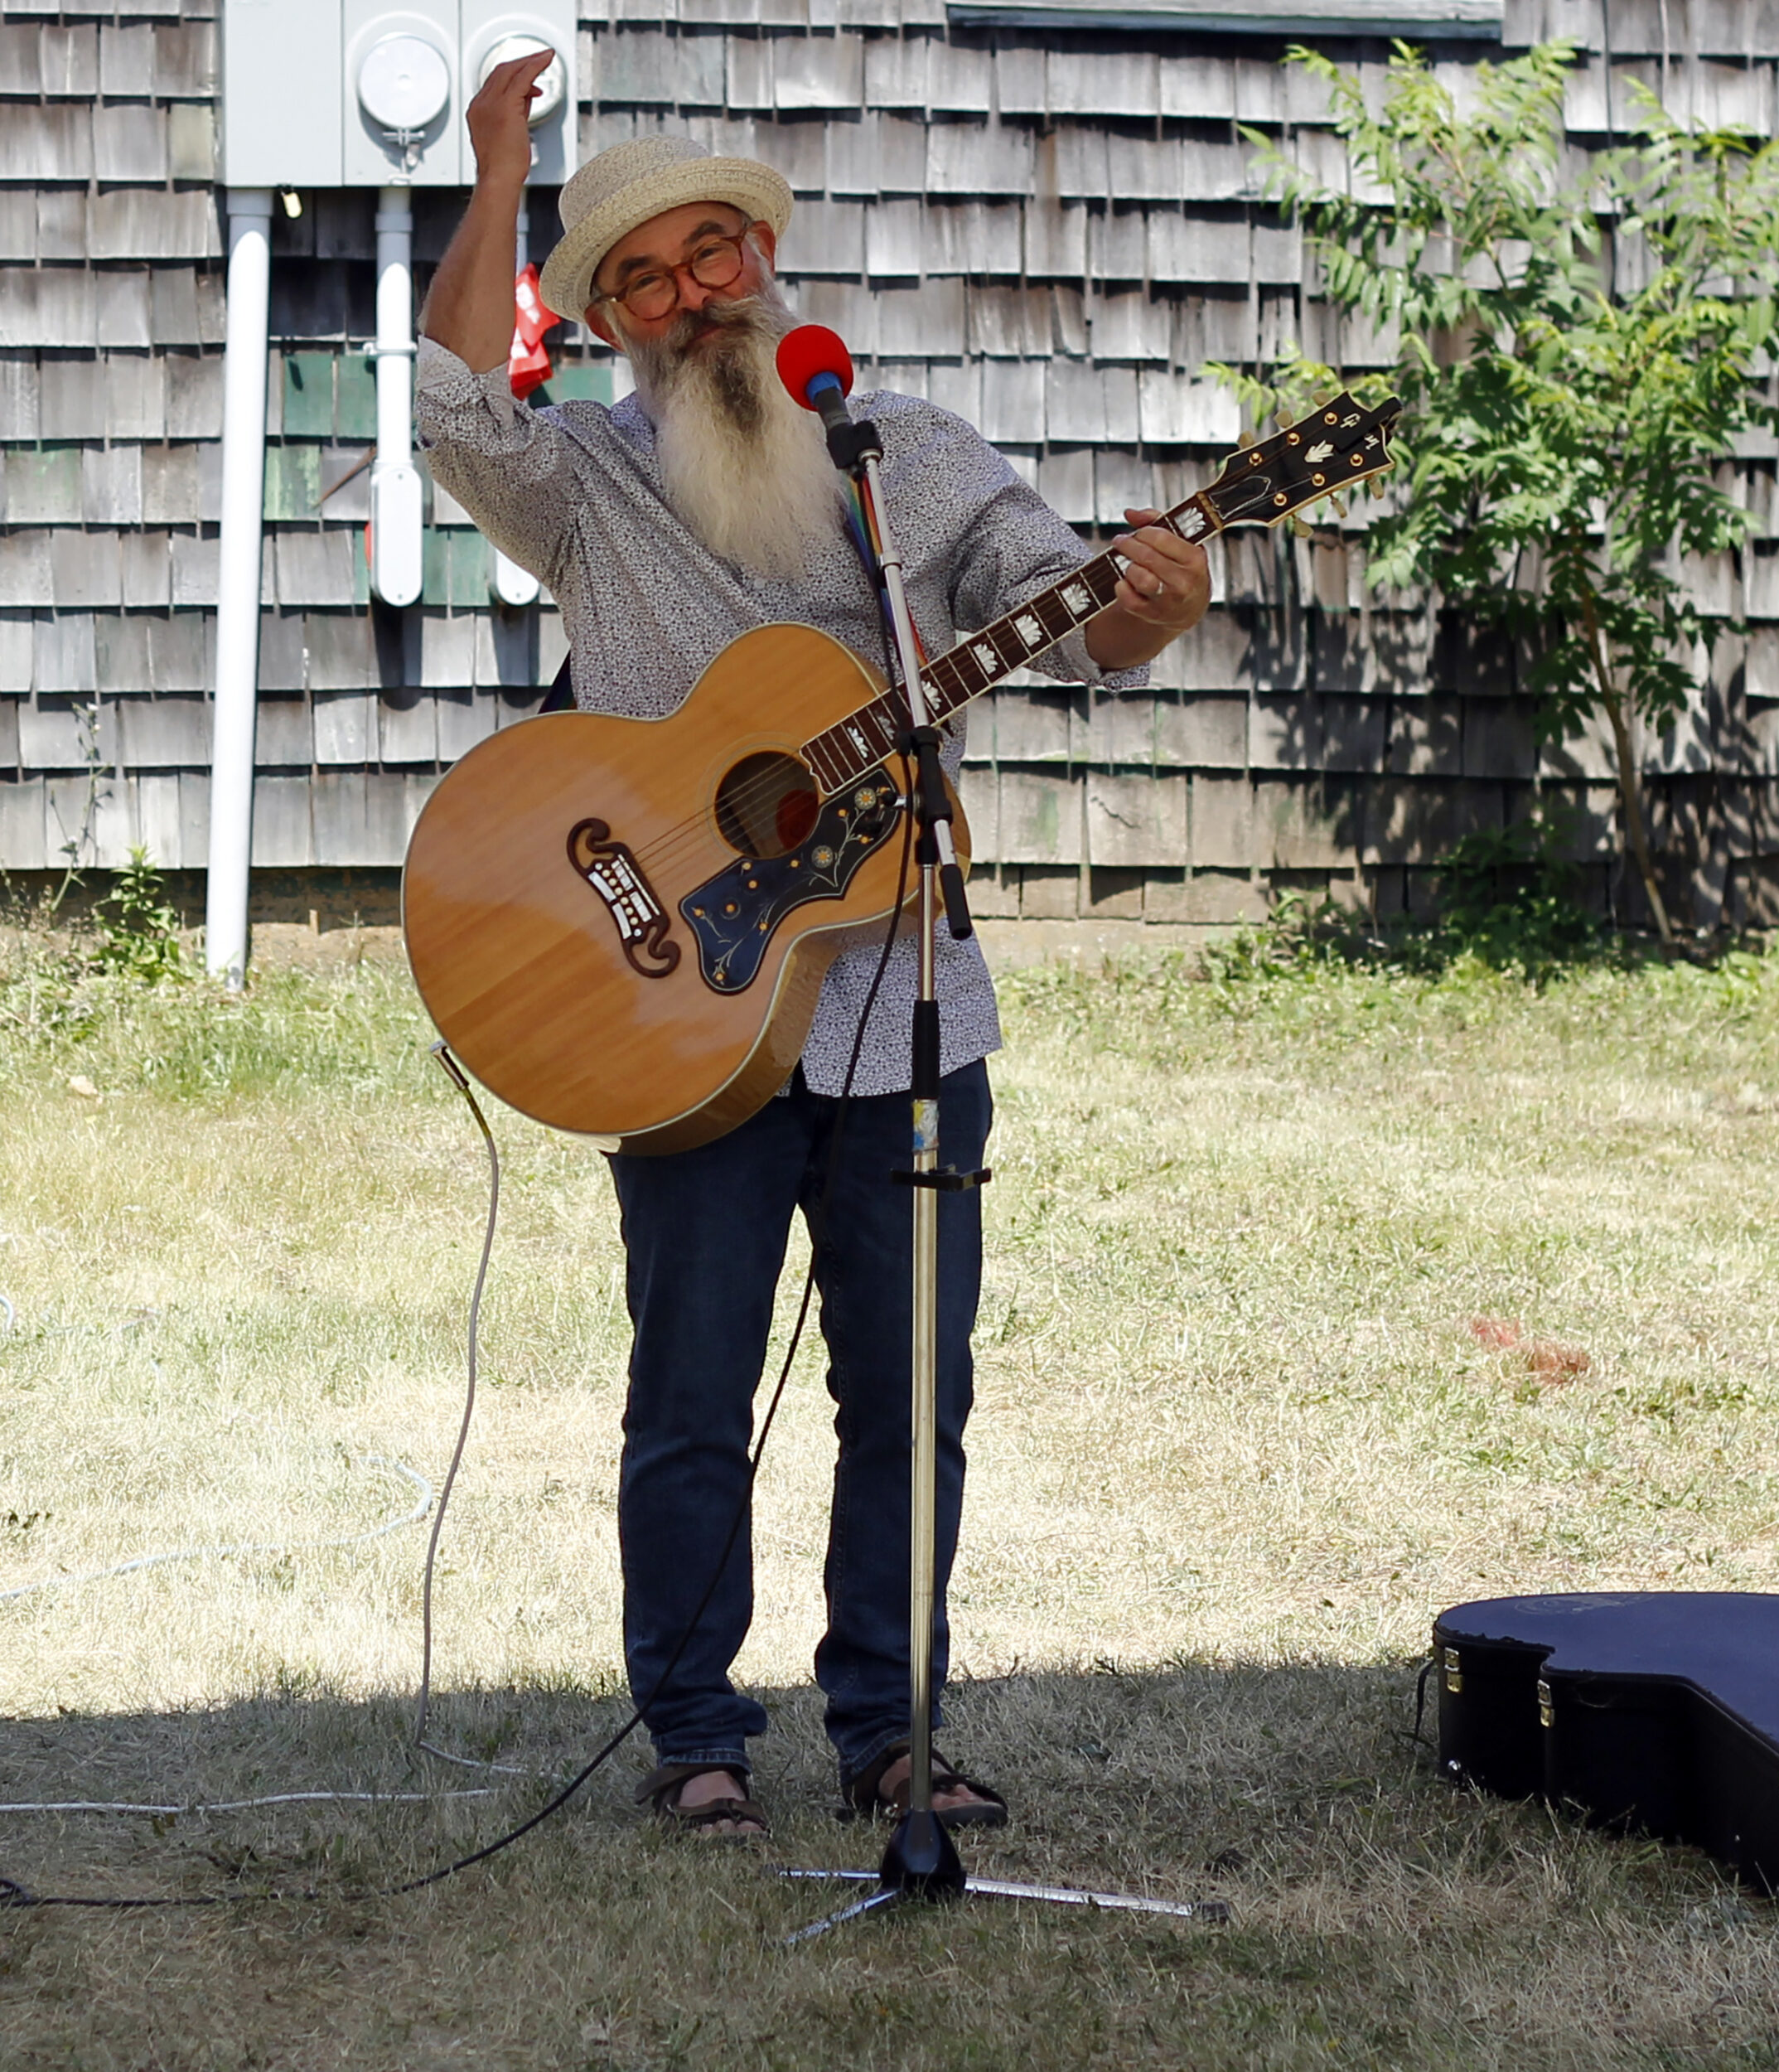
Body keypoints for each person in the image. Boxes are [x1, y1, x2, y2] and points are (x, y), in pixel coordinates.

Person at [416, 50, 1211, 1837]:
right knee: (692, 1387)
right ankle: (694, 1729)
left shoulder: (902, 452)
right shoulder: (590, 489)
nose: (694, 294)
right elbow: (458, 415)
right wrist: (494, 169)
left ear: (762, 263)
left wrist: (1152, 599)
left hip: (910, 1015)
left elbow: (1051, 598)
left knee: (912, 1396)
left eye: (714, 255)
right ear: (609, 318)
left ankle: (890, 1731)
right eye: (646, 276)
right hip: (672, 1009)